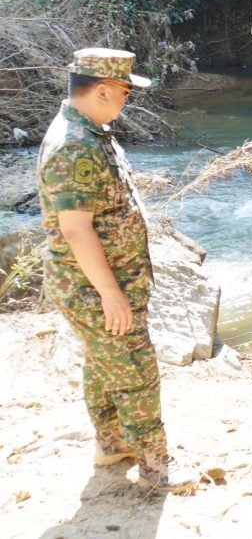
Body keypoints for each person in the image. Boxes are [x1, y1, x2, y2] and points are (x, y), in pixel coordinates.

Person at [36, 48, 196, 493]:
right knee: (135, 369)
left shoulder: (88, 132)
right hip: (93, 287)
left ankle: (111, 442)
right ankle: (156, 467)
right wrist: (111, 293)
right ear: (103, 90)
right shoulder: (74, 145)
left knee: (105, 364)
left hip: (93, 283)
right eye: (125, 90)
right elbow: (75, 229)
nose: (127, 99)